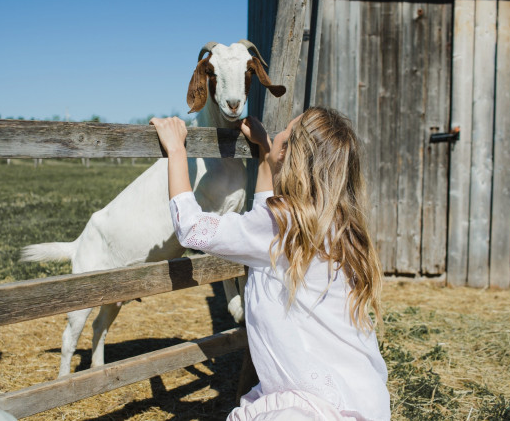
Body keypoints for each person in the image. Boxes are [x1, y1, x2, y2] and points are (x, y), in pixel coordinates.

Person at [151, 106, 390, 421]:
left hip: (314, 410)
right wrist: (266, 152)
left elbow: (193, 228)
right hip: (360, 397)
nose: (278, 134)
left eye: (286, 132)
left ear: (292, 155)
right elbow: (264, 215)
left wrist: (177, 149)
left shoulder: (285, 225)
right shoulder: (336, 223)